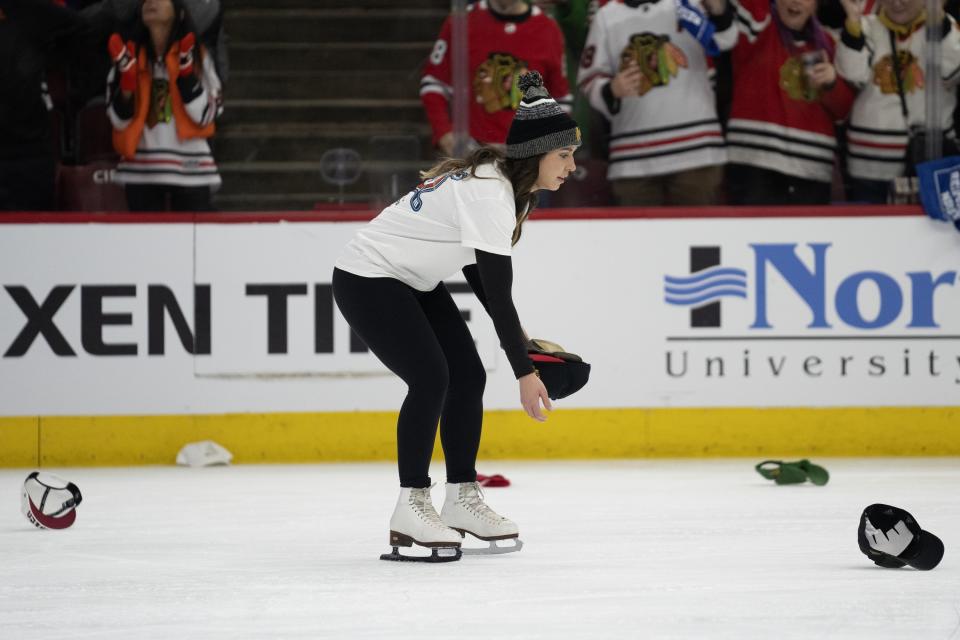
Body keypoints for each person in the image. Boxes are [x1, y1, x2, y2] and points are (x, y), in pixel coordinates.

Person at [333, 72, 579, 562]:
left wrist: (522, 342)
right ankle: (411, 505)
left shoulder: (504, 187)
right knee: (431, 377)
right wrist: (525, 371)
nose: (573, 166)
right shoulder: (490, 194)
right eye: (565, 155)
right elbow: (499, 292)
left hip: (410, 282)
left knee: (465, 374)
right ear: (536, 155)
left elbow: (480, 274)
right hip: (368, 278)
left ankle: (462, 497)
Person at [577, 0, 737, 206]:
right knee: (638, 238)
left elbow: (726, 40)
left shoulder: (689, 4)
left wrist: (719, 10)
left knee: (698, 236)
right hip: (632, 160)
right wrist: (611, 89)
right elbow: (589, 77)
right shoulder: (606, 16)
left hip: (697, 155)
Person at [705, 0, 855, 204]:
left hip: (811, 172)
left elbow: (843, 112)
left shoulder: (829, 44)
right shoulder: (755, 29)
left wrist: (832, 83)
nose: (795, 2)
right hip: (754, 166)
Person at [835, 0, 960, 202]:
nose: (897, 3)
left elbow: (953, 72)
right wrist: (852, 23)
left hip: (931, 164)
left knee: (932, 232)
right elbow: (852, 75)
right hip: (869, 165)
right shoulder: (866, 26)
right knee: (870, 232)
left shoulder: (945, 27)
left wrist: (938, 20)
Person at [105, 0, 222, 211]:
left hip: (192, 169)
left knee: (190, 243)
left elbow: (209, 115)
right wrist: (127, 85)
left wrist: (186, 76)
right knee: (145, 244)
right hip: (141, 171)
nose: (151, 1)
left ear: (180, 12)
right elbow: (117, 121)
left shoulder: (197, 55)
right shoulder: (127, 56)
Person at [420, 0, 572, 157]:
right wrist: (444, 132)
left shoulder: (548, 29)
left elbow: (560, 99)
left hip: (526, 160)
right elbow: (434, 84)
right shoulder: (461, 21)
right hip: (470, 155)